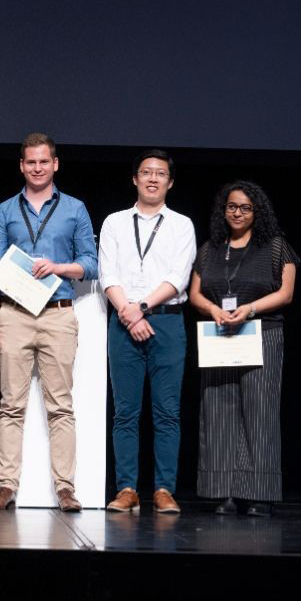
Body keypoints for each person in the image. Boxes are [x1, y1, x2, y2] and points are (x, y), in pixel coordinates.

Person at [0, 132, 98, 512]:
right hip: (14, 314)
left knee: (60, 406)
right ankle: (6, 486)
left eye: (43, 161)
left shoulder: (75, 208)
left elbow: (92, 264)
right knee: (10, 405)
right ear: (21, 165)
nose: (37, 168)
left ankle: (65, 489)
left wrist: (59, 266)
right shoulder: (5, 210)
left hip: (58, 313)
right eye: (30, 162)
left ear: (55, 164)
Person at [188, 181, 298, 517]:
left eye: (245, 208)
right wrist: (213, 310)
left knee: (259, 413)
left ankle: (259, 494)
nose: (237, 213)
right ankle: (224, 492)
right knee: (219, 411)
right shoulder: (210, 249)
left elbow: (286, 293)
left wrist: (249, 309)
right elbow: (195, 294)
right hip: (220, 334)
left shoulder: (276, 247)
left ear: (257, 212)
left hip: (261, 333)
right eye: (232, 206)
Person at [99, 149, 196, 513]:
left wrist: (140, 309)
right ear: (135, 179)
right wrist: (129, 313)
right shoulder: (114, 222)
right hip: (124, 321)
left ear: (170, 182)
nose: (152, 178)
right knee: (125, 411)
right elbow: (108, 273)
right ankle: (126, 487)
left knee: (167, 411)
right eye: (146, 172)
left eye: (160, 173)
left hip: (166, 321)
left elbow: (178, 276)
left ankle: (163, 489)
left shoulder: (181, 224)